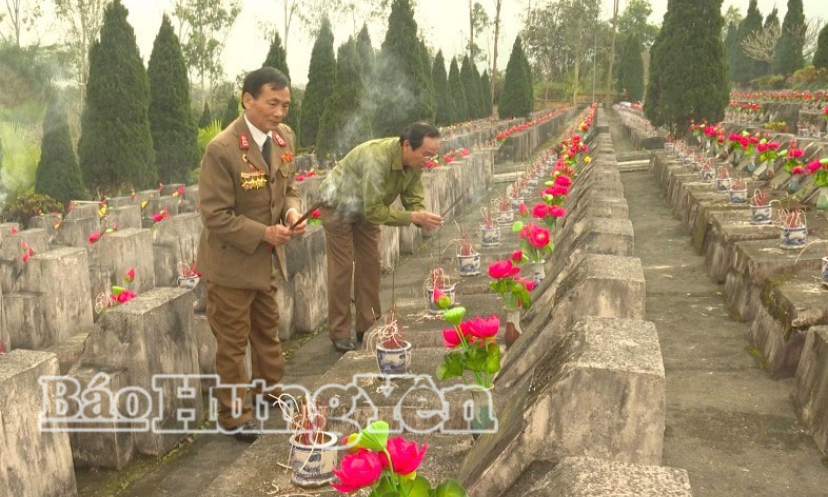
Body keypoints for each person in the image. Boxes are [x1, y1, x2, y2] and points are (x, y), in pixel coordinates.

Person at [196, 67, 306, 442]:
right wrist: (265, 233)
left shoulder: (284, 136)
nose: (279, 112)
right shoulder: (223, 149)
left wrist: (291, 212)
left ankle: (268, 391)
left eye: (285, 105)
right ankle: (233, 416)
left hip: (265, 261)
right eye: (272, 103)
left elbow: (287, 187)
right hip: (231, 265)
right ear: (248, 100)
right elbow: (215, 216)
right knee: (232, 342)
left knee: (266, 331)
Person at [320, 122, 444, 352]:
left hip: (367, 207)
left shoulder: (414, 164)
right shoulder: (378, 159)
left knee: (370, 264)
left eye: (433, 156)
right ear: (407, 145)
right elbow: (374, 211)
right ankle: (339, 332)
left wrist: (421, 216)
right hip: (338, 205)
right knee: (343, 267)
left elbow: (412, 197)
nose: (429, 161)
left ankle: (367, 325)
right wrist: (412, 217)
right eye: (426, 154)